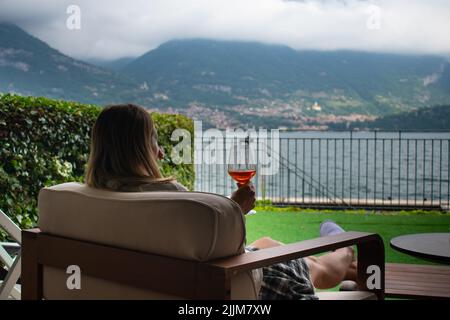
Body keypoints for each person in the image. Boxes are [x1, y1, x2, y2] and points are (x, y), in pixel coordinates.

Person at [85, 103, 357, 300]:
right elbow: (222, 247)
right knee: (315, 267)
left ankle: (352, 276)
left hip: (168, 277)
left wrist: (229, 208)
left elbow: (195, 239)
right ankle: (344, 249)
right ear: (140, 148)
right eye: (154, 140)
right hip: (224, 281)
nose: (161, 152)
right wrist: (236, 208)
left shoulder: (88, 196)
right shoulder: (166, 196)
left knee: (268, 243)